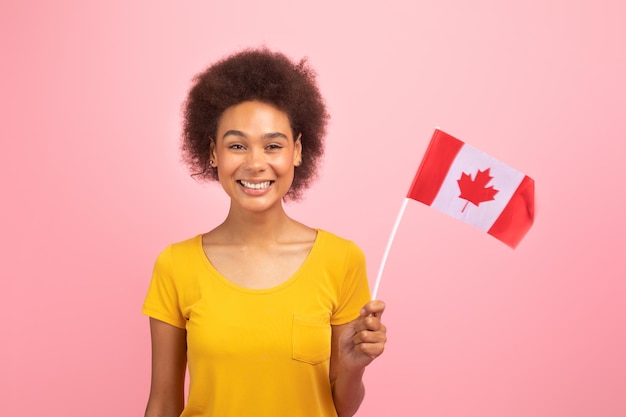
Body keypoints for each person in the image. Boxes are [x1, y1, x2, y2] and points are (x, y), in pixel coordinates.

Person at [142, 48, 387, 417]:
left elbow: (340, 408)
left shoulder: (342, 259)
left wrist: (354, 368)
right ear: (213, 153)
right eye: (237, 145)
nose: (255, 163)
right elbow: (162, 403)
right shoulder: (176, 265)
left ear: (298, 151)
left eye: (273, 145)